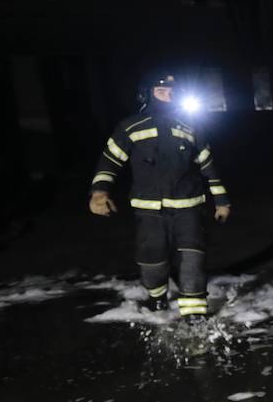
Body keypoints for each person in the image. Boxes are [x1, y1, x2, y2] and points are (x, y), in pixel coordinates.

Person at [89, 74, 230, 319]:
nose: (169, 96)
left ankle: (195, 317)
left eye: (173, 92)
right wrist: (99, 192)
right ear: (146, 94)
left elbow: (208, 167)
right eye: (162, 91)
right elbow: (109, 161)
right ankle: (157, 297)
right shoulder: (131, 126)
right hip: (149, 209)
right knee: (151, 260)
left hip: (189, 207)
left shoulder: (190, 126)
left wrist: (222, 201)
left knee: (193, 259)